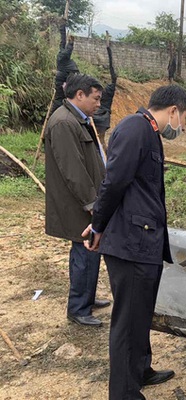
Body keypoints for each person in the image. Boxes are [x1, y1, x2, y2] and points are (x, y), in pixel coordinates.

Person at [83, 85, 186, 399]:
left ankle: (140, 369)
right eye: (184, 118)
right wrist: (97, 225)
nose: (182, 127)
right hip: (131, 243)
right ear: (172, 109)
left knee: (140, 314)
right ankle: (123, 392)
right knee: (127, 321)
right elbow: (114, 181)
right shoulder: (136, 129)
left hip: (142, 240)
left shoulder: (149, 132)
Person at [44, 74, 108, 327]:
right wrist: (93, 204)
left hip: (86, 201)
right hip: (79, 203)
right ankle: (79, 308)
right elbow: (73, 170)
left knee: (90, 251)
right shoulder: (63, 122)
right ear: (79, 95)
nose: (98, 104)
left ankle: (87, 299)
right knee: (85, 251)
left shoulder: (77, 120)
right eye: (95, 98)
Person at [93, 33, 118, 146]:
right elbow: (113, 70)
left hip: (96, 116)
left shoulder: (97, 92)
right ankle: (105, 159)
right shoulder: (111, 89)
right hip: (104, 117)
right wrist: (109, 50)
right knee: (102, 140)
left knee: (95, 139)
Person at [51, 20, 80, 114]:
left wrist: (62, 27)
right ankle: (54, 113)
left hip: (64, 77)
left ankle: (56, 112)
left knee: (61, 97)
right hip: (63, 78)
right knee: (60, 98)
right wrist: (71, 43)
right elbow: (68, 51)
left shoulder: (61, 54)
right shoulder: (64, 56)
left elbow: (62, 42)